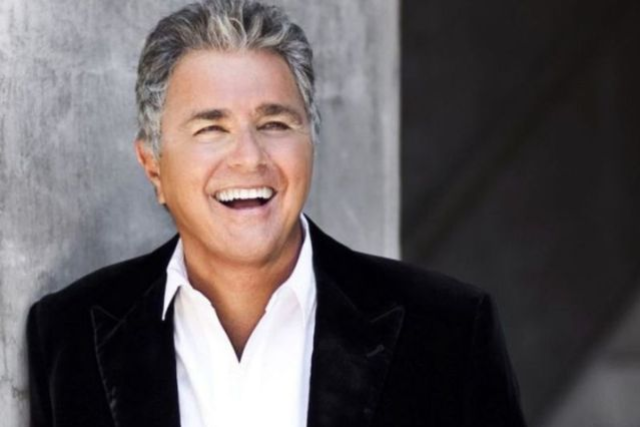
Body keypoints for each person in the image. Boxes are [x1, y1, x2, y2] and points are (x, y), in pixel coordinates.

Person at [26, 0, 526, 426]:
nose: (249, 158)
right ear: (153, 164)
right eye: (211, 129)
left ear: (311, 142)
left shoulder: (448, 332)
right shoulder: (69, 335)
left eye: (275, 123)